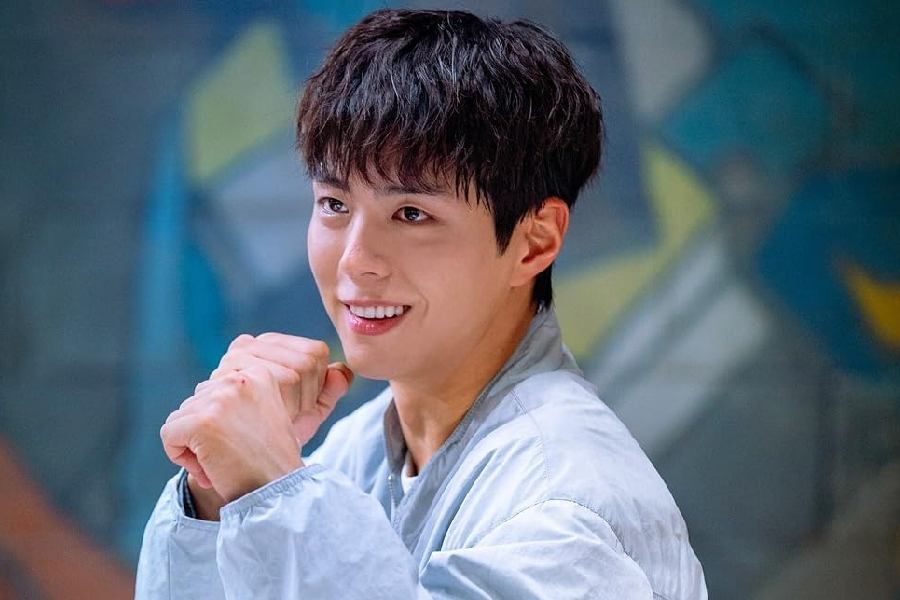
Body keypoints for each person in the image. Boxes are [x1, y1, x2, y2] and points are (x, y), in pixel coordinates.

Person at [135, 8, 707, 599]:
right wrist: (217, 494)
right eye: (334, 204)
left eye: (411, 214)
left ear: (534, 242)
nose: (355, 260)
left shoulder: (566, 503)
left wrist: (268, 491)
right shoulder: (361, 450)